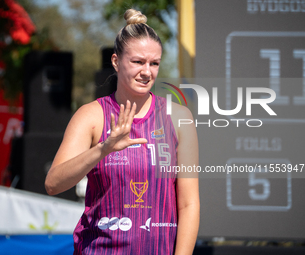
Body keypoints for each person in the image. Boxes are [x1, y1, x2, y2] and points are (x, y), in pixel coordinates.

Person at [45, 8, 199, 255]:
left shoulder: (179, 118)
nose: (147, 71)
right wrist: (102, 149)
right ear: (116, 62)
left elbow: (189, 203)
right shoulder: (92, 116)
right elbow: (53, 184)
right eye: (137, 61)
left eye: (154, 63)